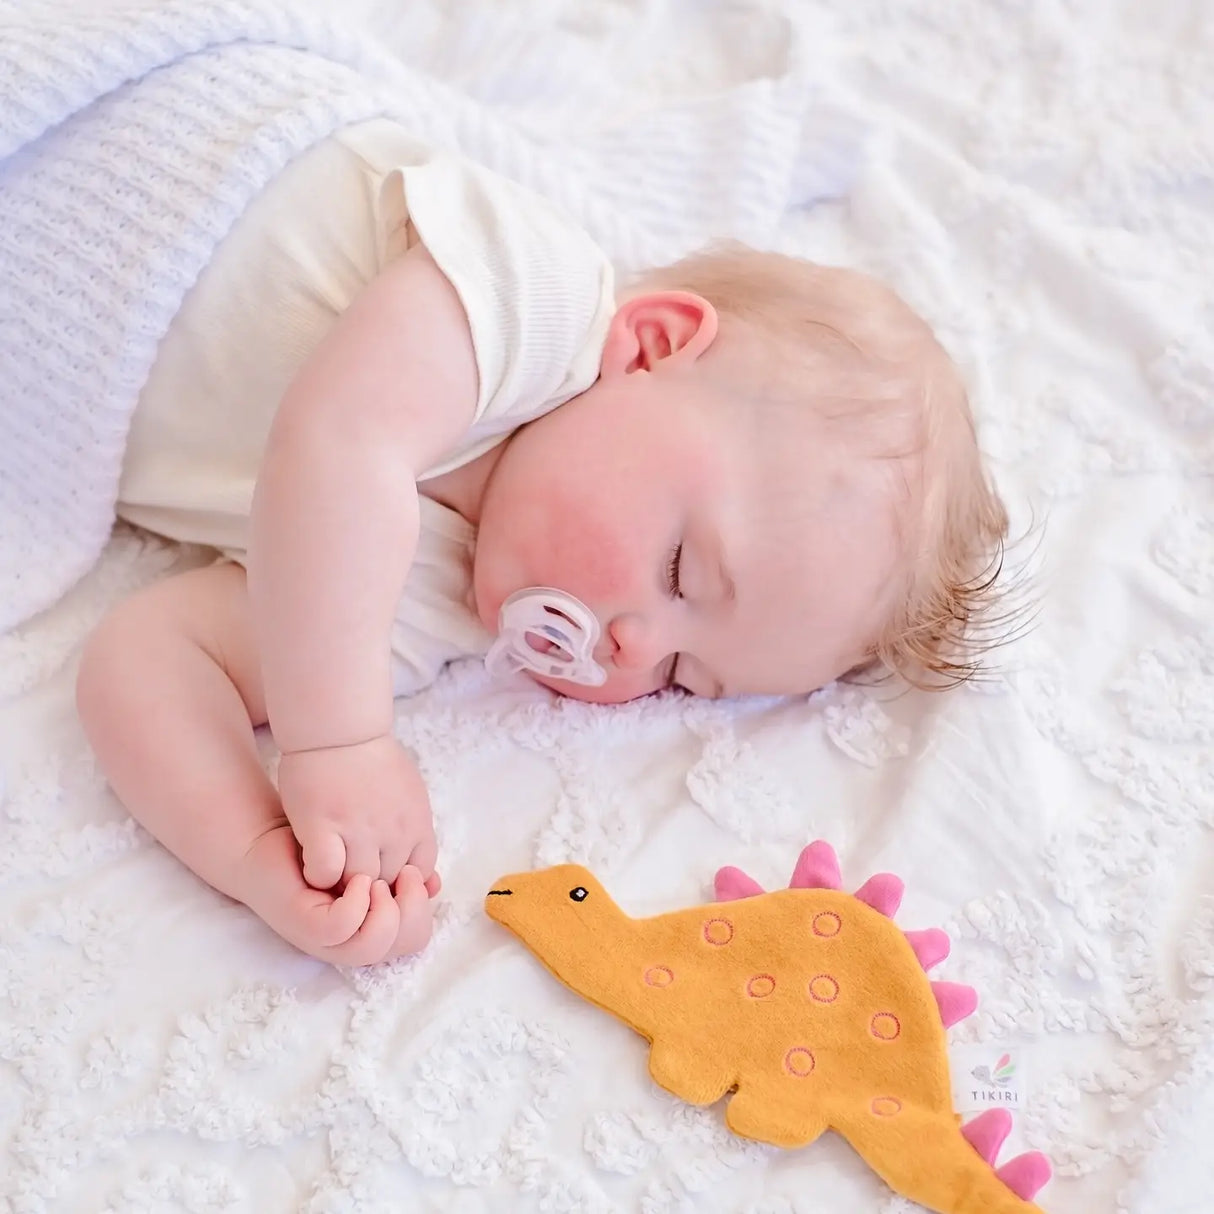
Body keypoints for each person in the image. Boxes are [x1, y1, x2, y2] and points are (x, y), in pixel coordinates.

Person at [73, 118, 1009, 966]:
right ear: (650, 348)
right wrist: (338, 742)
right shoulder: (527, 297)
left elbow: (152, 659)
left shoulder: (433, 608)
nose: (634, 650)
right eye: (682, 572)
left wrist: (253, 851)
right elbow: (338, 442)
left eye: (681, 675)